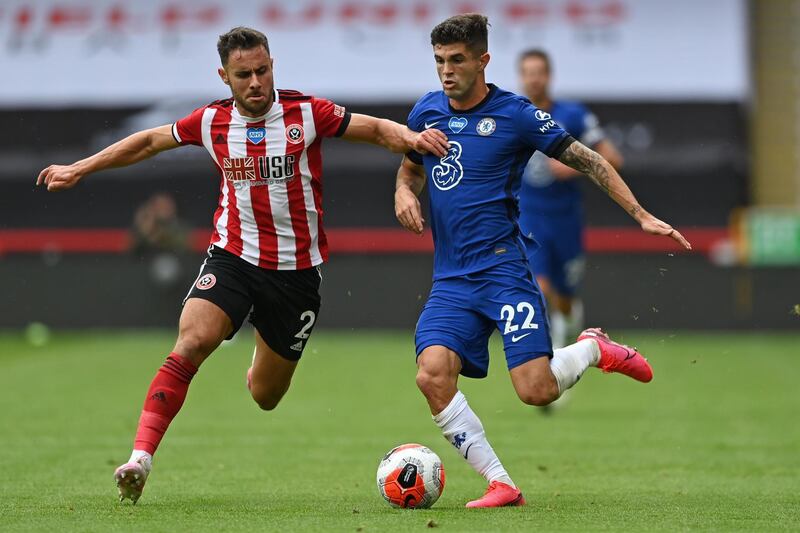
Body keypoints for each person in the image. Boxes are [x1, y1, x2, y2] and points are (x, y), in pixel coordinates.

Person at [37, 26, 449, 504]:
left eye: (262, 70)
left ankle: (257, 354)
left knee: (265, 395)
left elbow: (377, 129)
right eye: (243, 74)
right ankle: (140, 459)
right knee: (192, 341)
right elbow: (149, 142)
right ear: (224, 76)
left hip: (296, 275)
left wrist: (412, 138)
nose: (255, 82)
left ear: (272, 65)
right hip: (232, 257)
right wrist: (79, 167)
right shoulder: (210, 122)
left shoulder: (306, 113)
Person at [394, 14, 690, 508]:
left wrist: (641, 215)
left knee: (536, 391)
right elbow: (408, 170)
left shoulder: (517, 115)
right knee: (431, 374)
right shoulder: (426, 111)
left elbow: (591, 159)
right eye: (440, 61)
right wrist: (404, 193)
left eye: (457, 60)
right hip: (450, 279)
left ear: (483, 60)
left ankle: (593, 347)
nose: (446, 71)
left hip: (504, 271)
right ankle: (500, 483)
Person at [517, 49, 624, 349]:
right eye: (528, 72)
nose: (534, 79)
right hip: (528, 217)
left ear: (549, 76)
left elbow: (613, 158)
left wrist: (574, 166)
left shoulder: (573, 115)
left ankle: (569, 317)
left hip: (565, 219)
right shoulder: (511, 115)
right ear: (521, 78)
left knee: (564, 296)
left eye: (539, 72)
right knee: (539, 287)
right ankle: (550, 356)